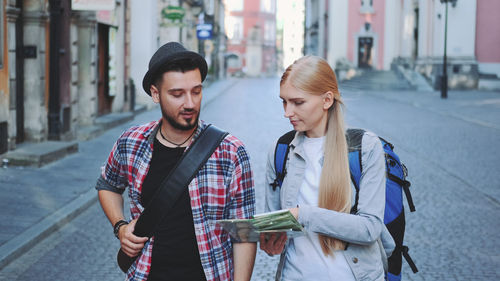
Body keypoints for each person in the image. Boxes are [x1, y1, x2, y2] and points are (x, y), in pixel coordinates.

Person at [96, 42, 256, 281]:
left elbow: (244, 233)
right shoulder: (131, 143)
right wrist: (120, 227)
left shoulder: (231, 152)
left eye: (196, 91)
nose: (190, 103)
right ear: (155, 93)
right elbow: (108, 185)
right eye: (177, 94)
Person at [259, 56, 395, 281]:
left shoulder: (365, 148)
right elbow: (276, 225)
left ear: (327, 100)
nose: (287, 112)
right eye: (284, 101)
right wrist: (271, 240)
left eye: (297, 102)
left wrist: (304, 214)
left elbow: (370, 229)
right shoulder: (280, 151)